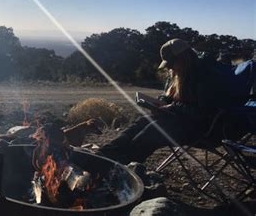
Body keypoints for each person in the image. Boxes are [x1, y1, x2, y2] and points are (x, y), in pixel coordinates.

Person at [97, 38, 249, 164]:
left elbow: (205, 112)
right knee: (141, 122)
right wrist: (160, 102)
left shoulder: (205, 77)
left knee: (150, 133)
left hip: (205, 129)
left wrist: (173, 107)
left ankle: (119, 168)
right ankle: (102, 156)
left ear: (183, 59)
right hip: (181, 120)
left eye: (171, 63)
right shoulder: (181, 73)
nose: (169, 68)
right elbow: (170, 96)